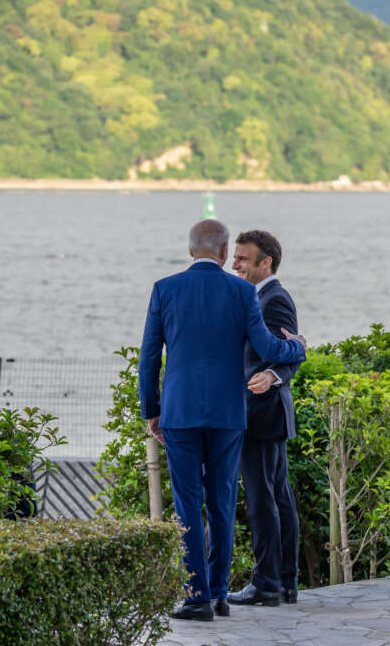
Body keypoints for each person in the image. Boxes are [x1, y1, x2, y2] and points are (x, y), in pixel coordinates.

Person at [139, 219, 307, 622]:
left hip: (179, 414)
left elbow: (149, 357)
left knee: (187, 506)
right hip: (229, 415)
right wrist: (296, 348)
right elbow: (267, 346)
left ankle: (194, 596)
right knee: (221, 505)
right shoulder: (241, 291)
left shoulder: (165, 289)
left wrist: (152, 411)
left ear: (190, 249)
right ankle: (217, 596)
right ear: (222, 249)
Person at [227, 230, 301, 607]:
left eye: (242, 258)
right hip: (266, 415)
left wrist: (274, 374)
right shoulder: (261, 297)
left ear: (265, 262)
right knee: (278, 498)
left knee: (262, 501)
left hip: (260, 414)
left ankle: (268, 584)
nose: (235, 263)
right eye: (236, 256)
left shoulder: (273, 300)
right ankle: (284, 583)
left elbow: (286, 351)